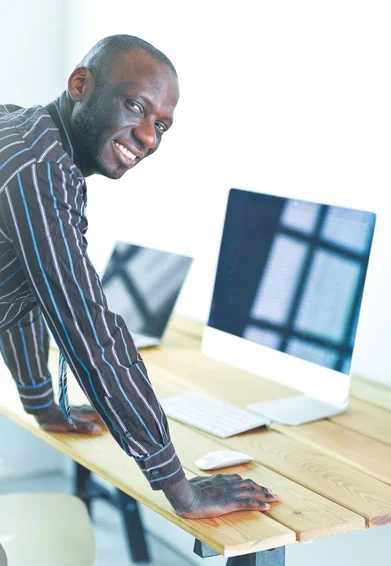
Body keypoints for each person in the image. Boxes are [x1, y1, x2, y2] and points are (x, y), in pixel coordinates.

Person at [0, 35, 279, 519]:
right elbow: (90, 331)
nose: (149, 137)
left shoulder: (22, 131)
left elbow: (19, 283)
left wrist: (42, 404)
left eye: (162, 125)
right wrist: (181, 489)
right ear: (81, 84)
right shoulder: (39, 172)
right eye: (135, 106)